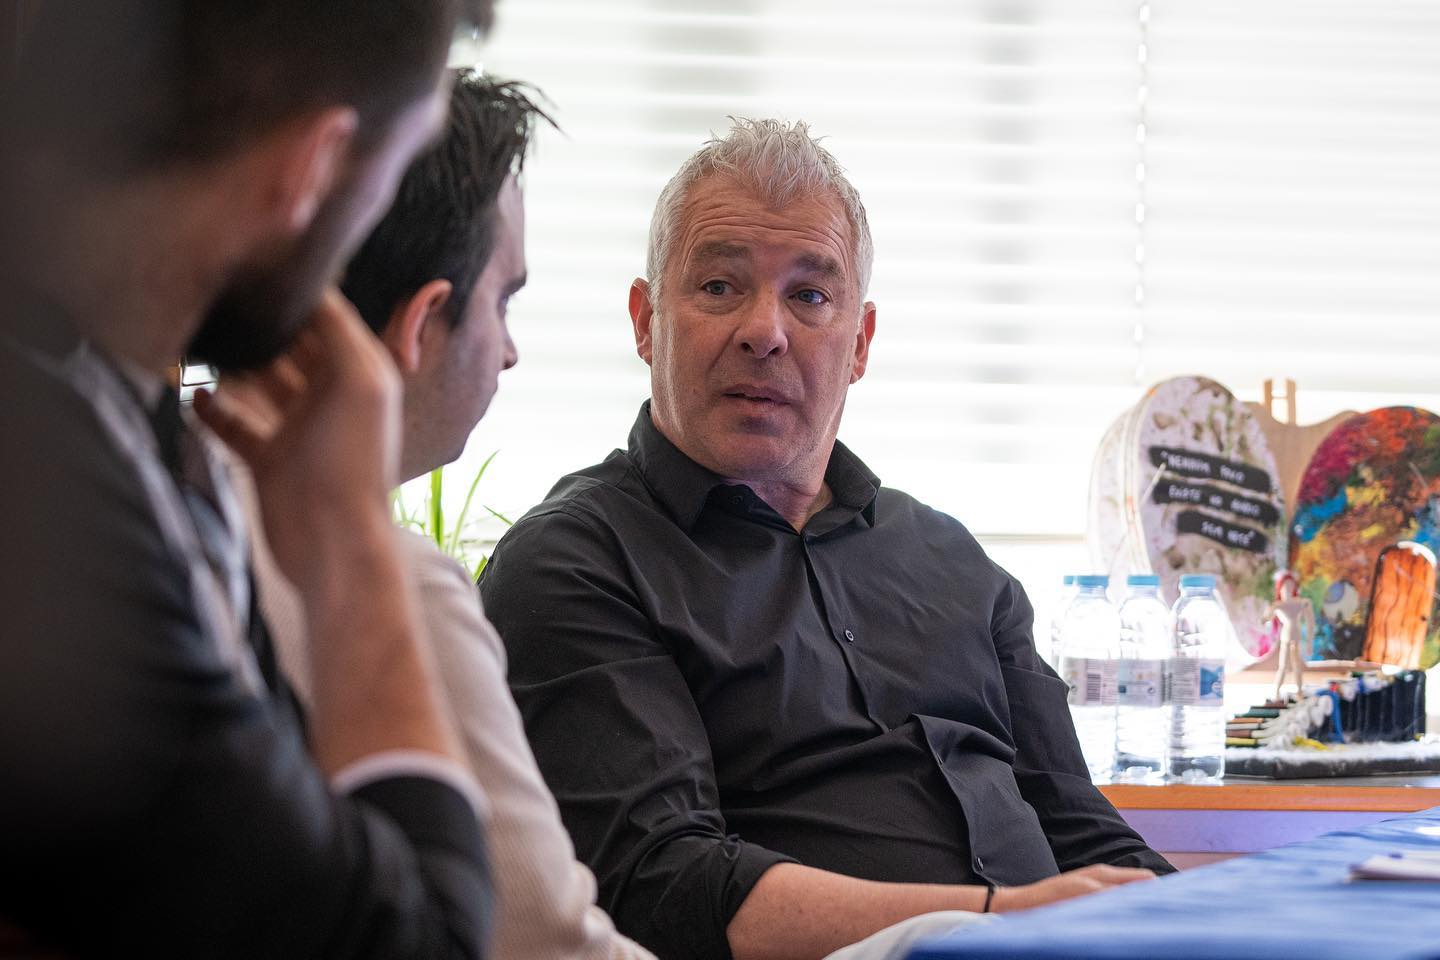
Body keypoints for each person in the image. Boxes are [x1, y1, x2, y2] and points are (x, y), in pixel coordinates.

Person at [478, 118, 1174, 960]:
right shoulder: (576, 562)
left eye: (809, 296)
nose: (764, 330)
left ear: (861, 344)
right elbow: (662, 883)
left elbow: (1082, 827)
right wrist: (1005, 918)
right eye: (719, 286)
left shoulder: (957, 563)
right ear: (645, 320)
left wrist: (1202, 922)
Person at [0, 1, 495, 955]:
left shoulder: (132, 421)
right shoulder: (53, 514)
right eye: (395, 171)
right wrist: (352, 541)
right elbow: (413, 941)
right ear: (312, 165)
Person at [246, 70, 658, 960]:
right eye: (504, 300)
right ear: (424, 319)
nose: (509, 352)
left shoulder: (165, 498)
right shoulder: (394, 590)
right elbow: (548, 940)